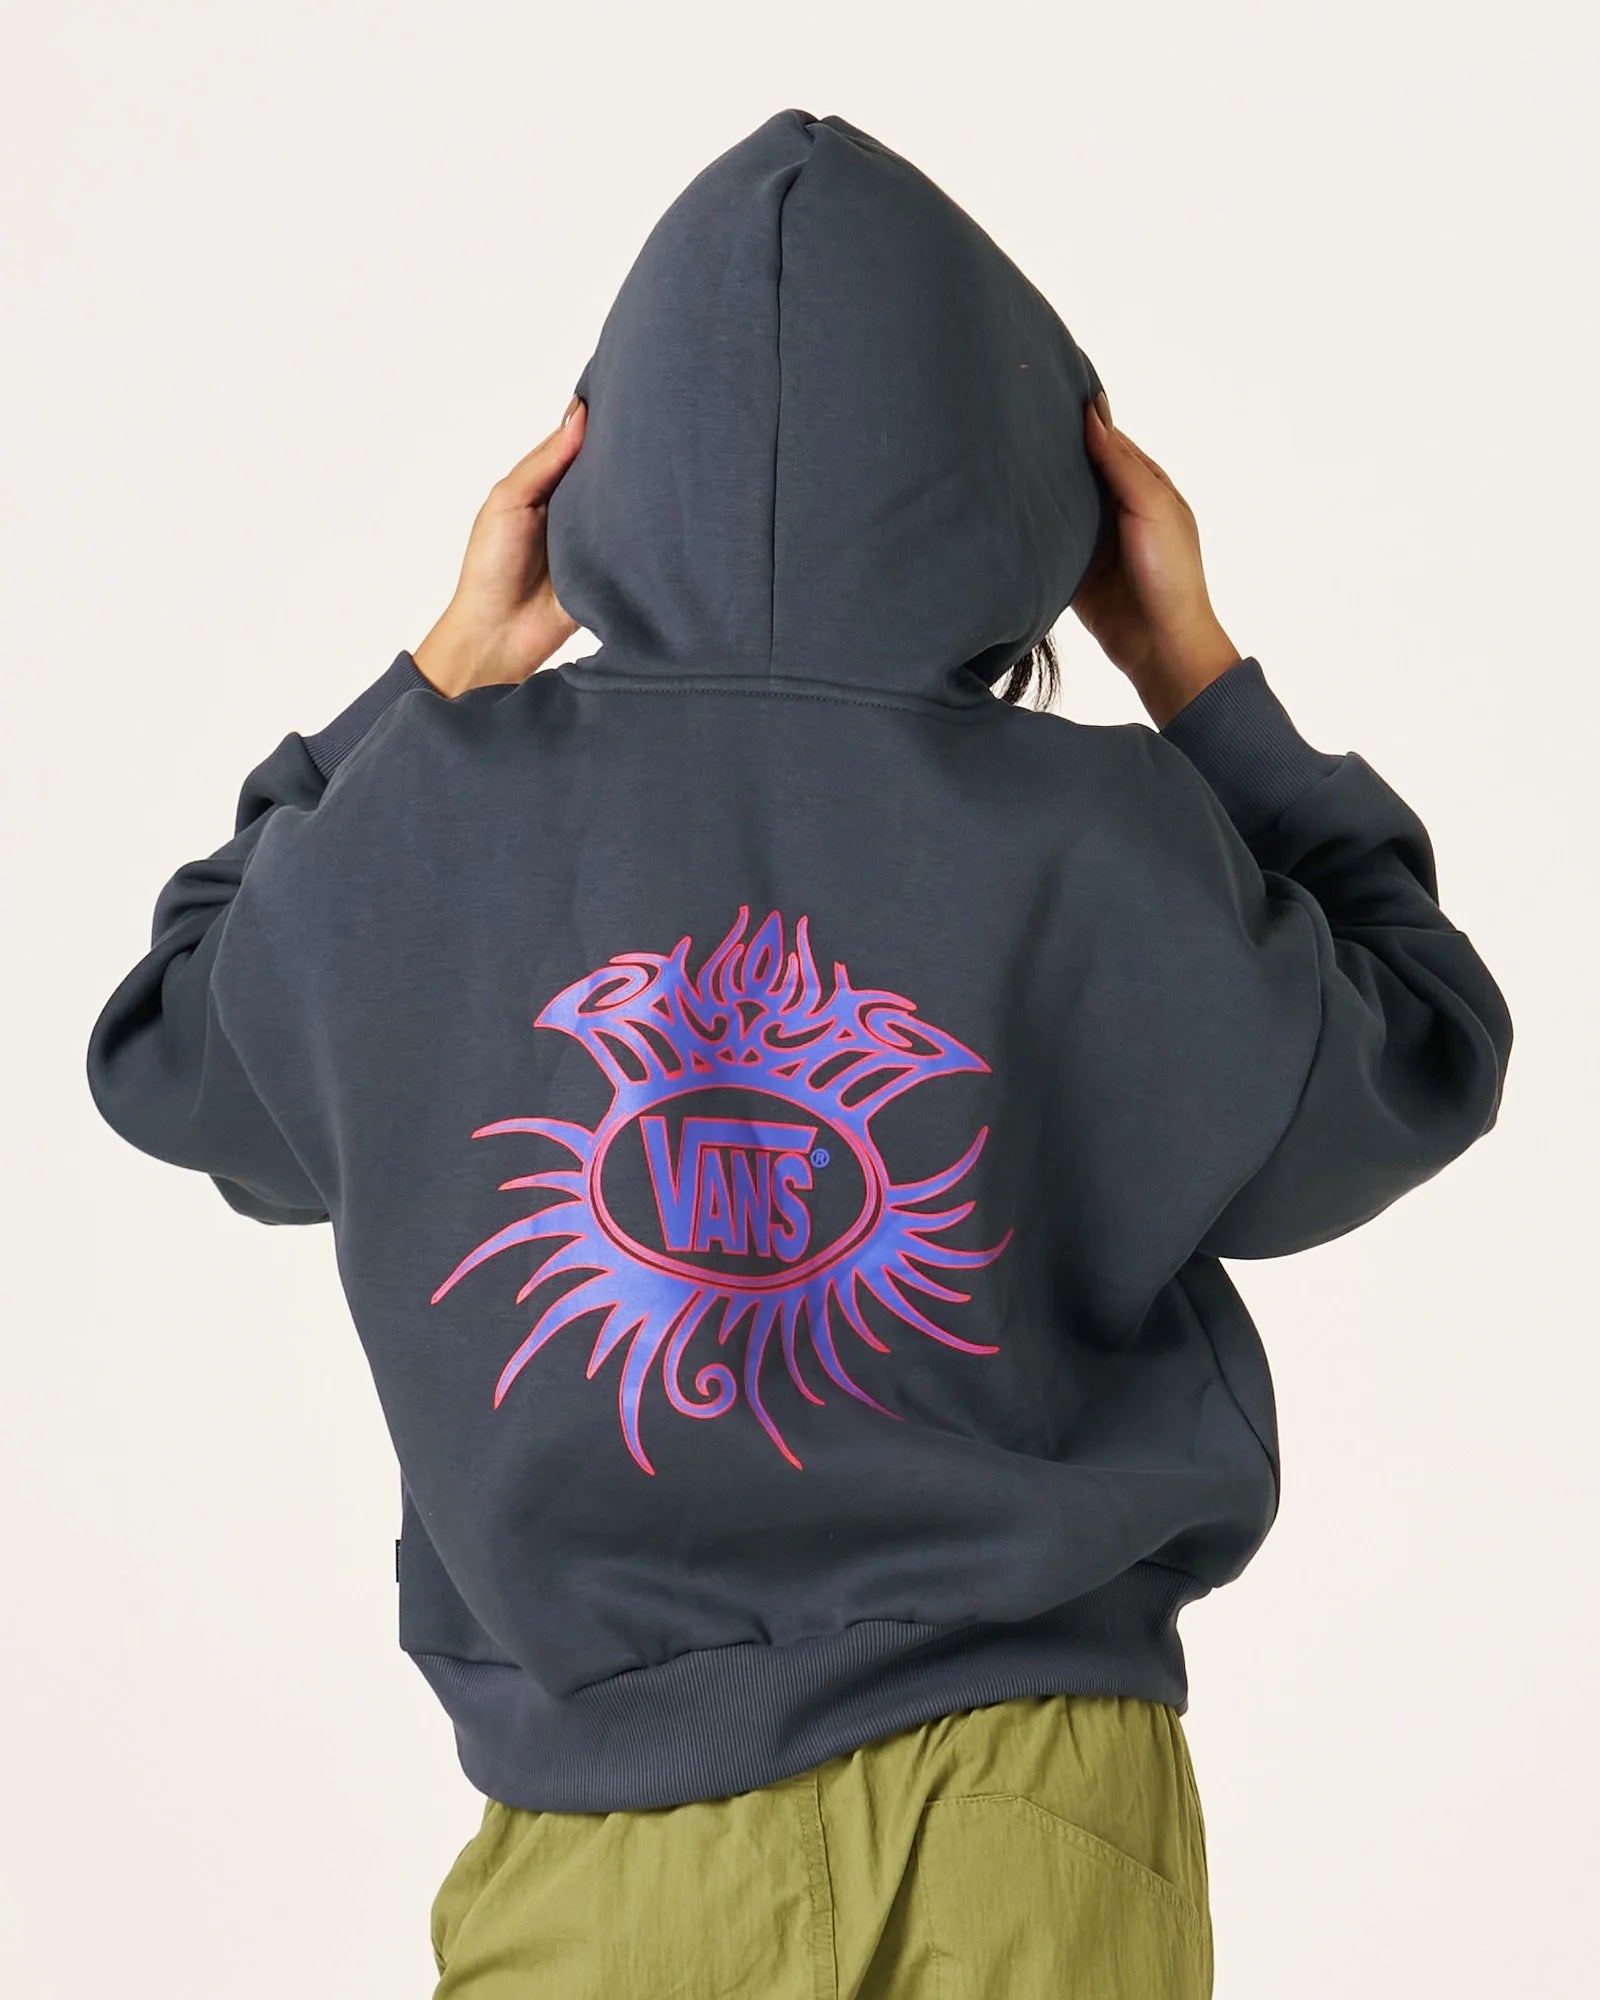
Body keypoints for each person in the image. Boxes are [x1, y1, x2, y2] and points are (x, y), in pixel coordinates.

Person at [85, 109, 1512, 1999]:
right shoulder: (1108, 835)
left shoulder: (417, 831)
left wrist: (433, 676)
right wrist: (1198, 676)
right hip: (1028, 1801)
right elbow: (1417, 1061)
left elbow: (172, 1047)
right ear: (1043, 492)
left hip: (595, 1853)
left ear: (593, 479)